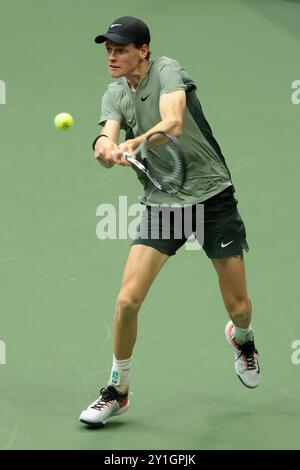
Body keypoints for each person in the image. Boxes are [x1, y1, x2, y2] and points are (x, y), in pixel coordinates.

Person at [79, 16, 260, 427]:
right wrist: (105, 146)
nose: (112, 55)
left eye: (120, 48)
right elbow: (108, 134)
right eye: (108, 48)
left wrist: (135, 141)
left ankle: (243, 339)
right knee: (127, 301)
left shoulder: (167, 71)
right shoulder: (115, 94)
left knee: (239, 306)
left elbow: (173, 122)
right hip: (164, 203)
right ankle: (117, 389)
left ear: (142, 50)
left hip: (213, 196)